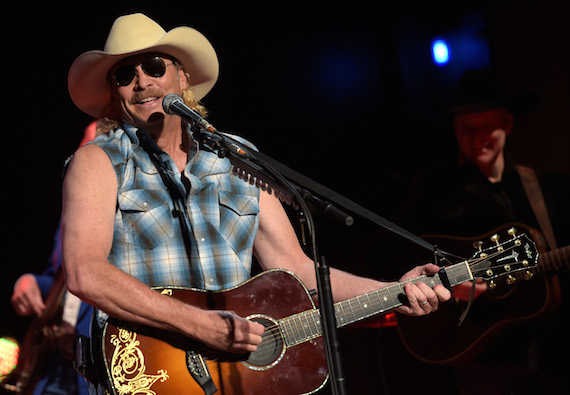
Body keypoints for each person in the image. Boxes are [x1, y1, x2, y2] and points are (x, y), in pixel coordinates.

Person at [61, 13, 451, 393]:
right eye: (125, 76)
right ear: (115, 94)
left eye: (153, 67)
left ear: (182, 77)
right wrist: (200, 324)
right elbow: (85, 273)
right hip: (149, 377)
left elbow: (297, 269)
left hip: (241, 380)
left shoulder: (238, 158)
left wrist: (394, 291)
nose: (142, 82)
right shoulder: (99, 161)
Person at [388, 68, 570, 394]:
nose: (478, 138)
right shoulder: (433, 191)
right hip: (485, 356)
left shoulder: (549, 189)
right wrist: (447, 278)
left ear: (508, 125)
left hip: (555, 350)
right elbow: (386, 251)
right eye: (467, 130)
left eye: (488, 127)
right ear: (455, 131)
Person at [10, 121, 96, 395]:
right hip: (54, 364)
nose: (85, 154)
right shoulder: (68, 217)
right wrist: (32, 282)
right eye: (84, 145)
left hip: (97, 364)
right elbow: (60, 279)